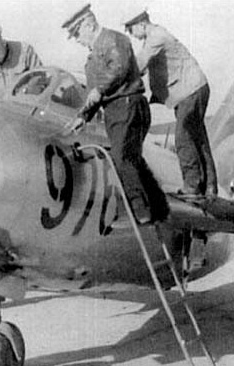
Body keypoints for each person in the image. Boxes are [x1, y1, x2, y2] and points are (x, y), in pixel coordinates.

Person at [62, 4, 170, 224]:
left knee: (121, 159)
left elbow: (118, 69)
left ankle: (139, 211)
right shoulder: (92, 59)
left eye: (76, 33)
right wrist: (83, 116)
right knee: (132, 159)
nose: (76, 39)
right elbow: (95, 95)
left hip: (127, 105)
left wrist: (99, 90)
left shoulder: (113, 40)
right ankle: (159, 208)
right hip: (116, 109)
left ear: (89, 25)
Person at [123, 9, 218, 197]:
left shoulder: (156, 37)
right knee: (197, 138)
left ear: (142, 24)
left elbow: (139, 65)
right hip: (192, 90)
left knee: (183, 138)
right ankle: (209, 187)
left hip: (189, 91)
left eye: (130, 29)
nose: (131, 34)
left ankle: (192, 187)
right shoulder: (155, 36)